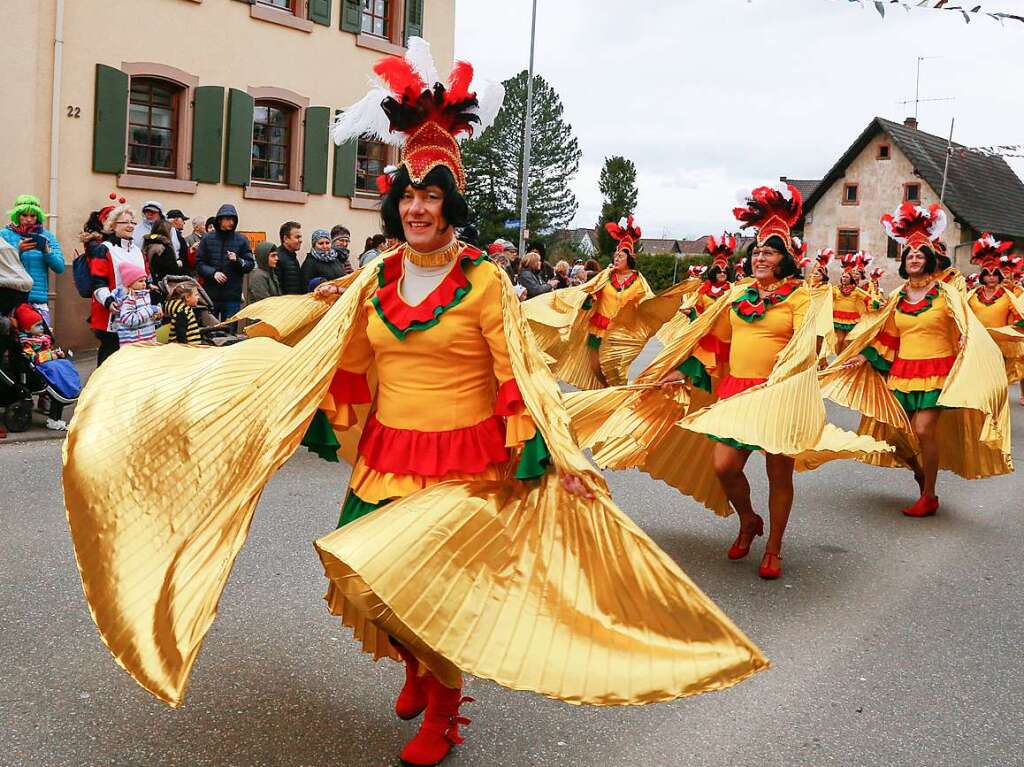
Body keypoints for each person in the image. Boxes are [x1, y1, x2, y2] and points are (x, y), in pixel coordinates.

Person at [61, 39, 770, 767]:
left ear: (451, 203)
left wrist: (561, 452)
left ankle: (443, 706)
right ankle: (414, 663)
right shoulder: (375, 279)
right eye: (409, 194)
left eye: (432, 194)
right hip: (386, 456)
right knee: (365, 580)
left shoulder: (487, 282)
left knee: (435, 589)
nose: (419, 206)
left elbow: (519, 375)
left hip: (463, 463)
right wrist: (265, 360)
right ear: (396, 205)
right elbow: (345, 357)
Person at [570, 183, 892, 581]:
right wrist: (681, 374)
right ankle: (748, 520)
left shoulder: (801, 298)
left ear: (786, 259)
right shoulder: (738, 295)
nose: (759, 257)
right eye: (756, 251)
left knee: (779, 475)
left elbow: (809, 343)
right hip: (737, 393)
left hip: (779, 395)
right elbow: (714, 344)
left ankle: (773, 547)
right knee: (724, 466)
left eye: (768, 252)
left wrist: (788, 379)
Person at [823, 203, 1012, 517]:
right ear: (904, 262)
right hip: (902, 372)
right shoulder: (897, 296)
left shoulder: (946, 294)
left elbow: (965, 323)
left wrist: (967, 339)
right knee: (893, 434)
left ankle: (929, 494)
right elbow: (888, 336)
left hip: (938, 372)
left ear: (931, 260)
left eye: (920, 254)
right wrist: (863, 358)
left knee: (923, 430)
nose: (914, 257)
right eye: (909, 254)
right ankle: (921, 474)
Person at [525, 217, 690, 389]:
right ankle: (608, 392)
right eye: (616, 255)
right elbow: (588, 292)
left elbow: (648, 301)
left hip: (621, 331)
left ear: (629, 258)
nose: (617, 258)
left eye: (621, 255)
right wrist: (588, 300)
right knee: (596, 367)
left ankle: (616, 392)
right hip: (598, 327)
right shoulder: (607, 275)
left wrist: (672, 304)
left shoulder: (638, 280)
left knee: (615, 369)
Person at [88, 195, 148, 366]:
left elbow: (144, 278)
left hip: (135, 312)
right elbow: (98, 282)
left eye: (132, 222)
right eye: (125, 222)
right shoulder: (103, 249)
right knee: (110, 355)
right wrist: (108, 301)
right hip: (111, 313)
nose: (130, 226)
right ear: (113, 225)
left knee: (131, 358)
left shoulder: (137, 250)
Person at [965, 234, 1024, 405]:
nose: (991, 277)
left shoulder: (1008, 296)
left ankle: (996, 414)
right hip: (978, 345)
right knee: (978, 382)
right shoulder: (971, 295)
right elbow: (964, 317)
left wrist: (1015, 330)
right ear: (982, 276)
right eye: (987, 274)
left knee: (996, 384)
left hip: (1000, 348)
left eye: (994, 274)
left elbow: (1019, 317)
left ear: (999, 276)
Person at [1, 194, 63, 326]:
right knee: (13, 343)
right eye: (24, 215)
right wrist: (18, 251)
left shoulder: (47, 236)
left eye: (33, 216)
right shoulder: (4, 235)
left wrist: (47, 251)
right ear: (17, 215)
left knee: (40, 343)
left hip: (38, 300)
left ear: (38, 216)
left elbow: (59, 267)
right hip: (12, 299)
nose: (29, 219)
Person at [11, 303, 70, 430]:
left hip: (49, 369)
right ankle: (54, 419)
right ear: (27, 329)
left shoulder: (43, 339)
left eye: (41, 324)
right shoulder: (26, 344)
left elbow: (48, 351)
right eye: (37, 325)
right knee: (58, 389)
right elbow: (33, 357)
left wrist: (57, 354)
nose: (42, 327)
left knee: (61, 387)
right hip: (38, 374)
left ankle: (56, 418)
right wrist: (51, 356)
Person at [195, 204, 255, 320]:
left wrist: (237, 260)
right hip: (211, 295)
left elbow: (250, 264)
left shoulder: (241, 240)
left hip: (232, 296)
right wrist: (213, 273)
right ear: (220, 220)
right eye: (228, 219)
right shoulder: (207, 239)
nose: (231, 222)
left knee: (230, 332)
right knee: (210, 330)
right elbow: (199, 263)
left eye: (233, 219)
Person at [832, 252, 875, 352]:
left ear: (850, 279)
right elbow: (826, 298)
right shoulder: (836, 289)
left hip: (852, 318)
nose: (844, 279)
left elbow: (868, 299)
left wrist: (878, 305)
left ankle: (845, 358)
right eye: (843, 276)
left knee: (848, 340)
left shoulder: (856, 290)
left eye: (846, 277)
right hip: (838, 317)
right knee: (839, 340)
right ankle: (839, 358)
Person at [114, 262, 162, 346]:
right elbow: (129, 320)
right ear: (130, 282)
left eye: (145, 281)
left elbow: (146, 319)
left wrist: (156, 318)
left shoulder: (144, 295)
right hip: (134, 344)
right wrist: (150, 310)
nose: (144, 284)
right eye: (140, 281)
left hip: (148, 340)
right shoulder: (128, 299)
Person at [276, 221, 304, 294]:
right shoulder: (278, 258)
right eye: (297, 237)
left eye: (300, 237)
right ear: (285, 239)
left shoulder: (292, 257)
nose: (301, 240)